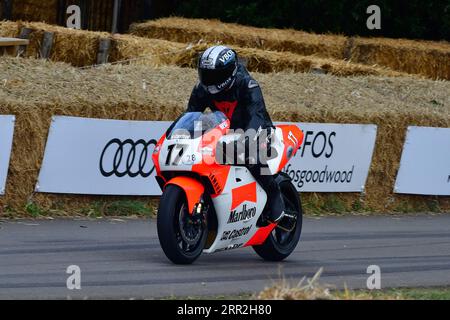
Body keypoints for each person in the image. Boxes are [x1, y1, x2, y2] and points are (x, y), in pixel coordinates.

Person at [186, 45, 287, 224]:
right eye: (205, 74)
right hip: (224, 133)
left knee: (250, 151)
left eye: (214, 76)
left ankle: (274, 196)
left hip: (258, 130)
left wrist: (242, 138)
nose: (209, 80)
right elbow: (191, 116)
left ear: (229, 73)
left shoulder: (248, 86)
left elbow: (255, 118)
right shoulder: (202, 89)